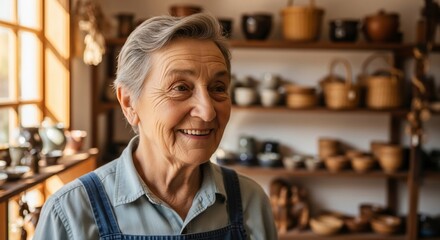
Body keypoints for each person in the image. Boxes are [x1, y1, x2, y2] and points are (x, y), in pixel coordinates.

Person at [34, 13, 277, 240]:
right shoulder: (69, 213)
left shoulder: (250, 202)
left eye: (218, 88)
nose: (208, 111)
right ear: (129, 103)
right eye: (181, 88)